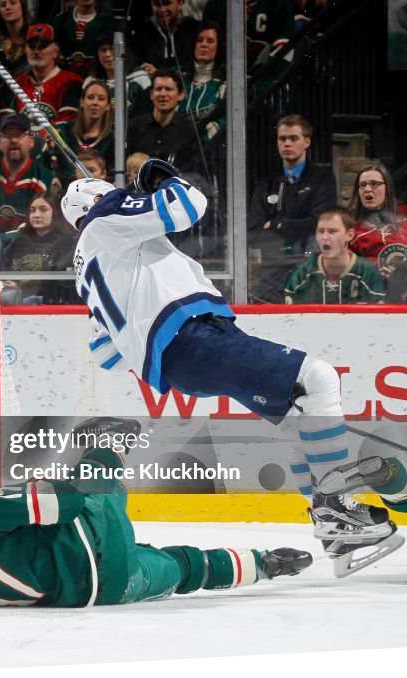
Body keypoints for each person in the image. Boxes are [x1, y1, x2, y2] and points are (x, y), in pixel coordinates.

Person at [61, 161, 405, 577]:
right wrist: (158, 178)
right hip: (195, 338)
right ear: (98, 199)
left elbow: (107, 355)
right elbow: (188, 205)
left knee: (299, 415)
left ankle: (334, 528)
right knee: (318, 379)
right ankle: (335, 509)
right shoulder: (108, 212)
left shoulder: (88, 265)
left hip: (184, 360)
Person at [0, 417, 313, 607]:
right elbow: (68, 502)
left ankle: (266, 565)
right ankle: (111, 442)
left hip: (106, 592)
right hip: (94, 544)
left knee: (182, 568)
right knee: (91, 482)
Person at [247, 115, 338, 301]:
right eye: (282, 139)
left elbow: (319, 224)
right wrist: (297, 228)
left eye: (293, 138)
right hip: (270, 274)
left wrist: (277, 224)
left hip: (310, 269)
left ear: (307, 142)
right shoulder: (267, 184)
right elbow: (252, 233)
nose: (287, 143)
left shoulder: (323, 179)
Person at [0, 113, 58, 234]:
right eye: (7, 135)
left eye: (19, 135)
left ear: (31, 141)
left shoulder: (47, 181)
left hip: (28, 250)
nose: (13, 140)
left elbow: (53, 230)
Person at [283, 207, 385, 305]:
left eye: (332, 231)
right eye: (321, 231)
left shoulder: (368, 273)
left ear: (349, 235)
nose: (325, 237)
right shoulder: (302, 273)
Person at [0, 191, 75, 304]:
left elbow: (58, 282)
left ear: (57, 212)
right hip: (14, 301)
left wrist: (20, 286)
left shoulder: (68, 245)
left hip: (51, 304)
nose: (36, 215)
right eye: (32, 210)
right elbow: (2, 271)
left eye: (43, 210)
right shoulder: (18, 242)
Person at [15, 24, 83, 124]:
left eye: (42, 46)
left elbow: (67, 123)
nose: (36, 51)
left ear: (56, 52)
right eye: (32, 46)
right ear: (25, 50)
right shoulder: (16, 82)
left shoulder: (72, 81)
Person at [347, 161, 407, 274]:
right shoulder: (349, 227)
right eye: (362, 185)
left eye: (374, 184)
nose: (367, 189)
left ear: (387, 188)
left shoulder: (404, 215)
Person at [50, 79, 114, 181]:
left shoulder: (113, 139)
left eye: (101, 99)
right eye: (90, 97)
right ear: (82, 102)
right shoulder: (63, 131)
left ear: (108, 106)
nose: (95, 103)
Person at [178, 22, 226, 142]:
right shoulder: (177, 77)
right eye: (199, 40)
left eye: (210, 41)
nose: (203, 45)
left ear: (219, 47)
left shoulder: (226, 83)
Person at [87, 32, 151, 118]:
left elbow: (146, 115)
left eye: (113, 49)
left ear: (124, 52)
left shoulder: (141, 80)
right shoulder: (91, 82)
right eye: (103, 50)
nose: (108, 54)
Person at [131, 0, 200, 75]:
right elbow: (136, 66)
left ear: (180, 3)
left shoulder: (196, 30)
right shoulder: (142, 33)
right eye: (157, 4)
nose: (162, 10)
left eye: (167, 3)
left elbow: (196, 68)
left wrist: (158, 73)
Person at [0, 0, 32, 77]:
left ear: (23, 6)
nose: (7, 7)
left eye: (13, 3)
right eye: (3, 5)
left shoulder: (35, 36)